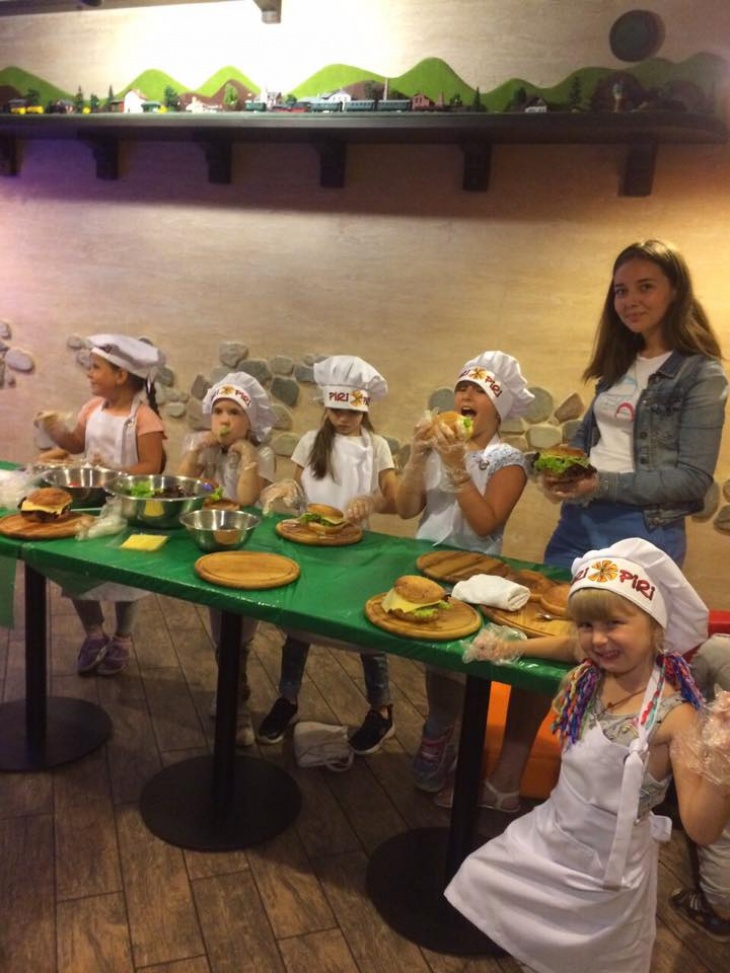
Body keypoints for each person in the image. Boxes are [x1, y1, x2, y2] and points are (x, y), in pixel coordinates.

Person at [445, 537, 730, 973]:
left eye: (614, 623)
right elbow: (567, 647)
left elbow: (702, 827)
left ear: (656, 628)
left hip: (605, 881)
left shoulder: (674, 717)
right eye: (585, 624)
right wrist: (510, 646)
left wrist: (722, 763)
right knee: (523, 927)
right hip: (550, 839)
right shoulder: (593, 670)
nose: (597, 639)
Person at [395, 350, 534, 798]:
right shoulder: (442, 444)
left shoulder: (508, 460)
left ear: (499, 407)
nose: (465, 397)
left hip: (474, 578)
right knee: (437, 664)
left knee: (463, 665)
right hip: (425, 567)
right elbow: (406, 508)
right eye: (462, 388)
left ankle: (453, 741)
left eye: (479, 390)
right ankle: (440, 727)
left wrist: (456, 466)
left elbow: (485, 523)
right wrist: (418, 458)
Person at [542, 238, 727, 570]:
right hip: (578, 519)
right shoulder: (619, 362)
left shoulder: (701, 373)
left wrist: (599, 483)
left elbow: (692, 479)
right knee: (551, 602)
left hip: (643, 528)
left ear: (675, 291)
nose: (630, 301)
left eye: (645, 287)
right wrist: (560, 472)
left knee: (612, 608)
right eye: (621, 291)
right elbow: (585, 439)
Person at [256, 355, 398, 754]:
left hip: (355, 550)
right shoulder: (309, 442)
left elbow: (395, 499)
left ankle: (382, 709)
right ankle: (287, 699)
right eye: (336, 410)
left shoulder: (377, 446)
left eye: (352, 411)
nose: (343, 418)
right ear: (327, 408)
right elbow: (299, 491)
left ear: (365, 409)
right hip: (309, 545)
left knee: (368, 632)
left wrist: (373, 501)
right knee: (298, 629)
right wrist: (287, 490)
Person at [35, 333, 166, 676]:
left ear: (120, 375)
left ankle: (122, 638)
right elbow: (75, 444)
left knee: (127, 577)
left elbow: (152, 466)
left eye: (96, 368)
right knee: (77, 569)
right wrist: (54, 428)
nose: (89, 373)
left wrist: (115, 472)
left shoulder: (144, 418)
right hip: (87, 505)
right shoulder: (91, 409)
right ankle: (94, 633)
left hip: (127, 508)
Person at [178, 372, 276, 747]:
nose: (224, 420)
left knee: (240, 633)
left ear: (250, 422)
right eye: (218, 411)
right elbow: (182, 486)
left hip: (248, 550)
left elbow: (248, 499)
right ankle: (231, 689)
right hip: (213, 545)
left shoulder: (262, 455)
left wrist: (248, 456)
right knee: (221, 630)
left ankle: (236, 704)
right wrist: (194, 452)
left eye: (234, 413)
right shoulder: (210, 452)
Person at [670, 633, 730, 941]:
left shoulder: (718, 650)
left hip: (718, 762)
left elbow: (690, 695)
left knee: (720, 836)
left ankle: (718, 913)